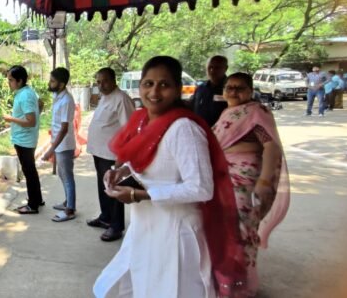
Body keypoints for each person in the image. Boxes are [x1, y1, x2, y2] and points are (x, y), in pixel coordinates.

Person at [93, 56, 246, 298]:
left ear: (177, 90)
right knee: (144, 285)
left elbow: (201, 188)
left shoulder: (184, 129)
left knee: (172, 289)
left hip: (176, 231)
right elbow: (147, 159)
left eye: (164, 85)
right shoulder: (143, 120)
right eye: (148, 83)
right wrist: (121, 171)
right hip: (147, 224)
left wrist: (139, 194)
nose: (154, 91)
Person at [213, 72, 291, 297]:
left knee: (242, 231)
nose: (234, 92)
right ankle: (225, 281)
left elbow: (271, 147)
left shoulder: (256, 112)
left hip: (245, 180)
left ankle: (241, 286)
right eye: (230, 87)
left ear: (250, 91)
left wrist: (264, 181)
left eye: (240, 88)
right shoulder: (228, 112)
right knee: (223, 231)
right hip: (223, 177)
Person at [85, 67, 134, 242]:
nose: (101, 85)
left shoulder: (121, 99)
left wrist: (122, 158)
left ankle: (116, 226)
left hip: (111, 154)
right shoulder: (105, 98)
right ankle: (105, 217)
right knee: (103, 187)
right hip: (99, 152)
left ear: (114, 80)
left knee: (113, 188)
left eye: (105, 81)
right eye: (98, 82)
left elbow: (129, 130)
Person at [3, 65, 44, 214]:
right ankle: (37, 199)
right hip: (25, 138)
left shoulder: (25, 95)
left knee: (29, 171)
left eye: (11, 80)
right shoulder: (25, 92)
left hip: (25, 140)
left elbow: (31, 121)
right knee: (31, 171)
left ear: (20, 81)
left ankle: (33, 205)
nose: (9, 83)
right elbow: (40, 103)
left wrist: (11, 118)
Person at [42, 67, 77, 222]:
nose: (49, 83)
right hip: (59, 143)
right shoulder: (57, 95)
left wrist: (51, 150)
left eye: (53, 81)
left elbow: (64, 129)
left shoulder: (67, 100)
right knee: (63, 175)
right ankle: (67, 202)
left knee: (67, 176)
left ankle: (70, 210)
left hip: (64, 144)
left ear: (62, 84)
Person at [190, 55, 229, 127]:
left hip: (221, 133)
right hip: (199, 131)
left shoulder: (231, 89)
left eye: (217, 68)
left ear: (225, 68)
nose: (212, 71)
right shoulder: (201, 88)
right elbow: (192, 107)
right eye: (210, 67)